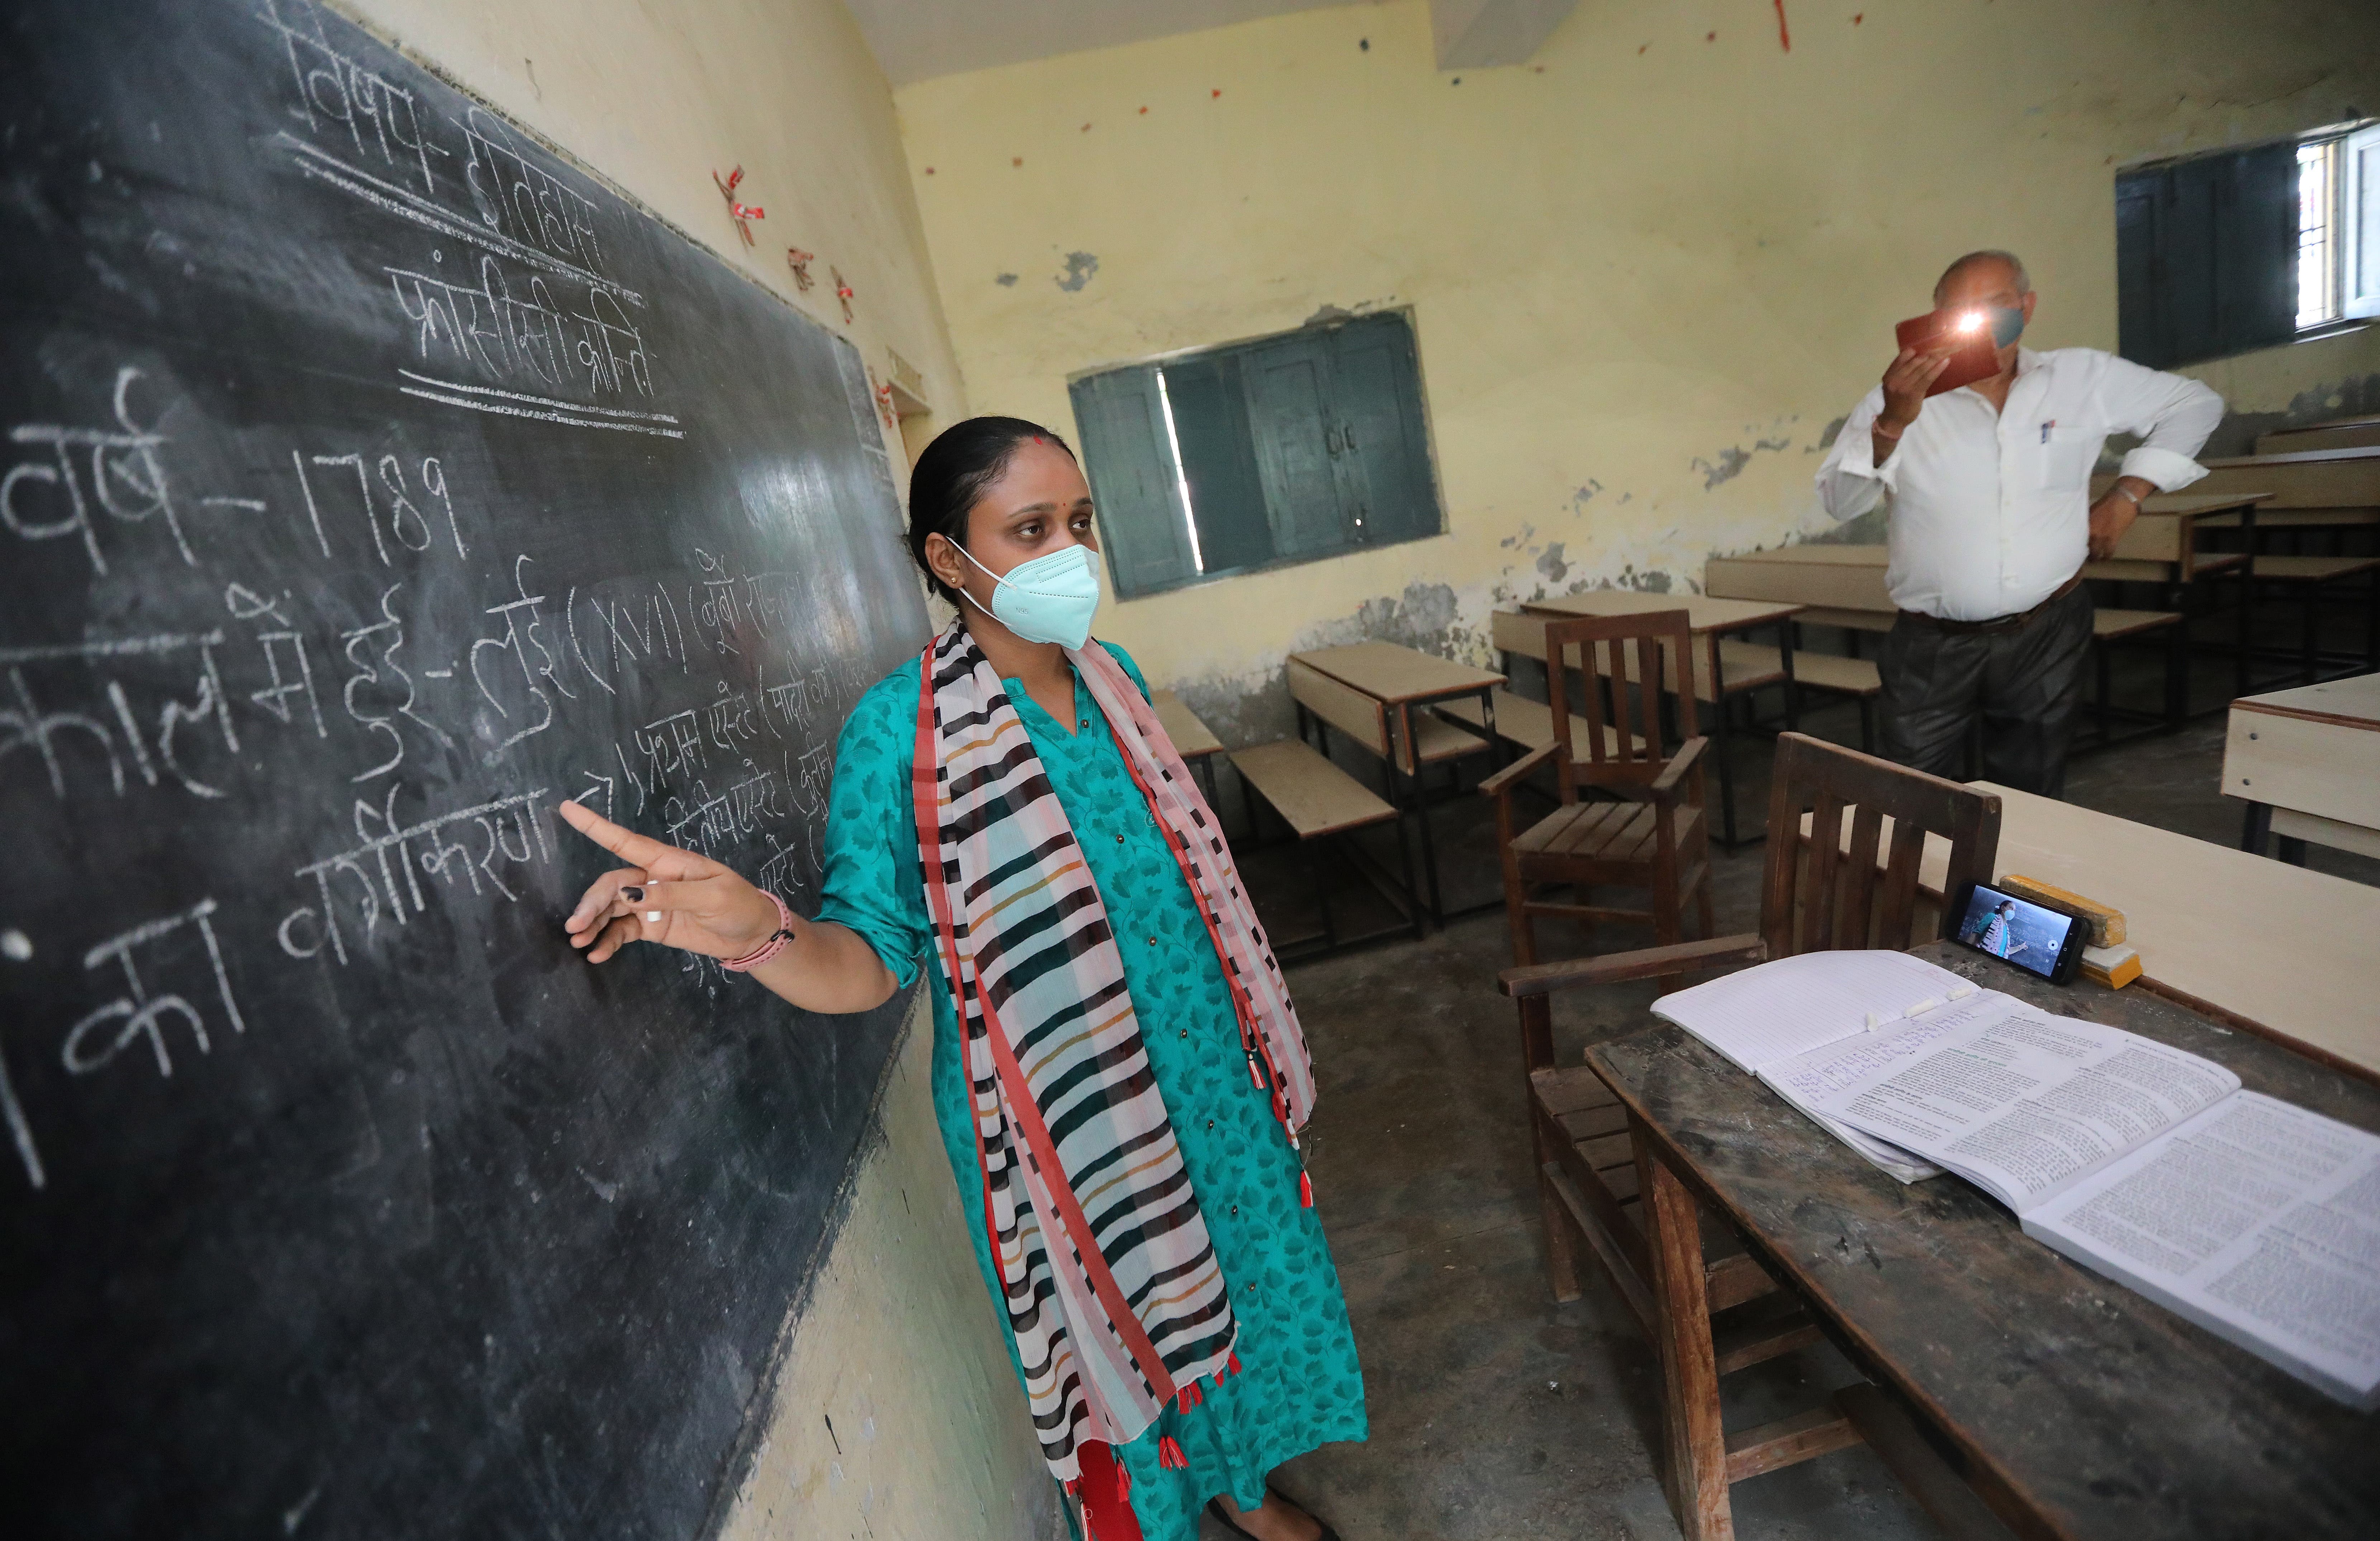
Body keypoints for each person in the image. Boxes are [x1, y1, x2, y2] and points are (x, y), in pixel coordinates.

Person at [553, 418, 1360, 1541]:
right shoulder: (900, 733)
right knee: (1130, 1325)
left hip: (1210, 1070)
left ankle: (1243, 1488)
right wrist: (754, 928)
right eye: (1028, 529)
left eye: (1078, 522)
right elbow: (869, 963)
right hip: (1073, 1123)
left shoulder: (1112, 677)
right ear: (947, 558)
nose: (1069, 551)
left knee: (1224, 1283)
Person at [1815, 250, 2224, 795]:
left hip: (2046, 630)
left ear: (2026, 307)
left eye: (1995, 305)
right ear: (1936, 319)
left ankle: (2006, 881)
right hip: (1934, 644)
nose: (1980, 322)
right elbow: (1840, 504)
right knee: (1911, 792)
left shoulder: (2080, 378)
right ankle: (1921, 882)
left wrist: (2128, 493)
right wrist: (1890, 423)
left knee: (2029, 790)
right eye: (1960, 311)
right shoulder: (1898, 398)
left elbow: (2195, 404)